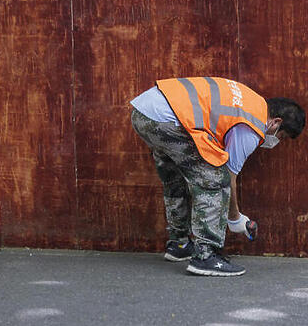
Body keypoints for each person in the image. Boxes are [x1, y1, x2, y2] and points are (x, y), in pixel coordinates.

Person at [130, 77, 304, 276]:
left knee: (175, 179)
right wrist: (235, 218)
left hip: (144, 112)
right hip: (167, 119)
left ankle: (179, 245)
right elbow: (229, 176)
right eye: (281, 136)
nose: (276, 142)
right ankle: (205, 255)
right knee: (215, 179)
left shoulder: (251, 100)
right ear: (276, 122)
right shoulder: (252, 124)